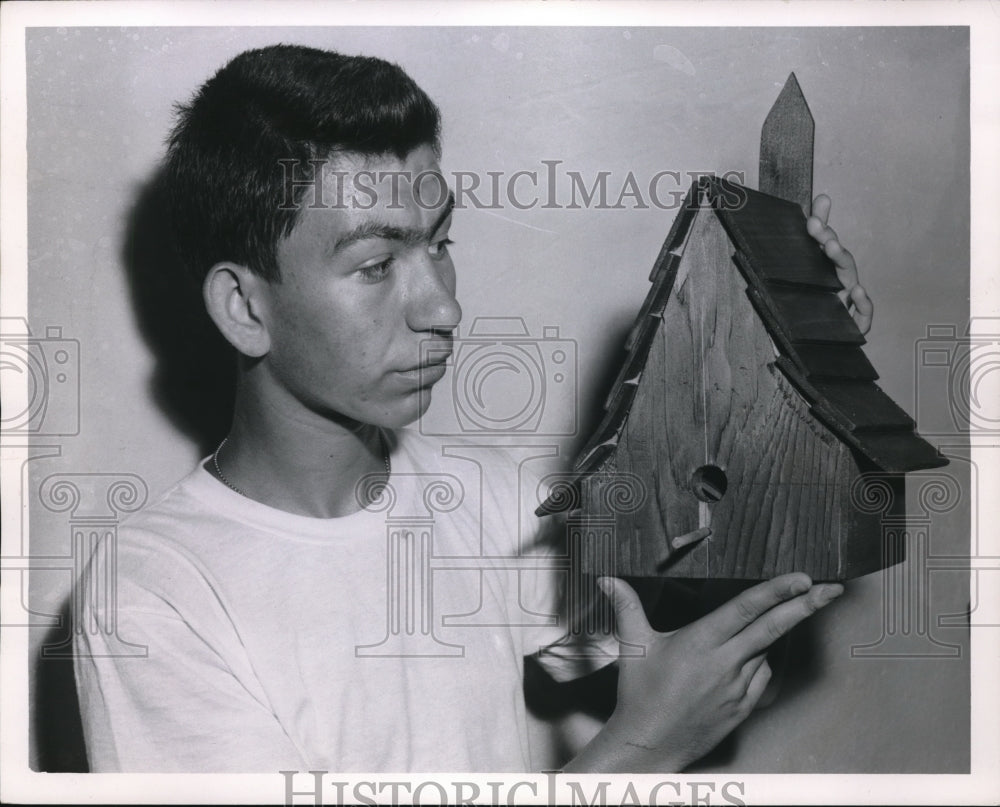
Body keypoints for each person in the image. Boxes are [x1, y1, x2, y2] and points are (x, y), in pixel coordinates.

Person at [73, 44, 872, 773]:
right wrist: (637, 749)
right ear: (244, 307)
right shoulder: (156, 594)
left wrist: (777, 380)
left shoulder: (492, 499)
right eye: (378, 263)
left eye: (440, 243)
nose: (444, 308)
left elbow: (701, 670)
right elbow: (661, 722)